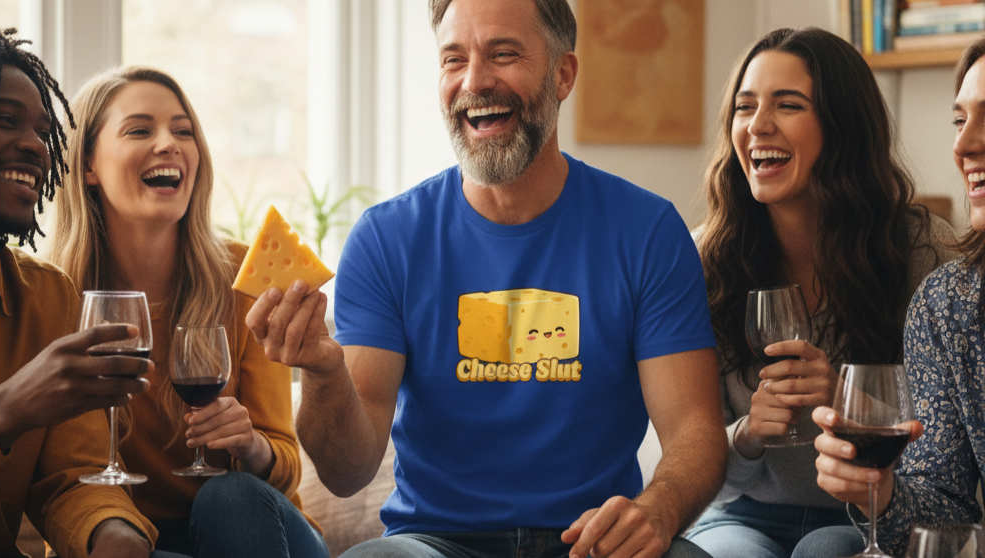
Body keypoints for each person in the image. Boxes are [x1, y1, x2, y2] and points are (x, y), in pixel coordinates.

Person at [246, 1, 727, 557]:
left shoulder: (647, 231)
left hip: (591, 543)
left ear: (562, 74)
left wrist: (657, 510)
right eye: (454, 60)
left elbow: (695, 430)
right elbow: (347, 471)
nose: (474, 81)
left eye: (503, 54)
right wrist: (326, 372)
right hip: (435, 543)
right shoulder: (386, 239)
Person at [685, 27, 955, 558]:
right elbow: (689, 452)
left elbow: (944, 452)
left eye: (788, 105)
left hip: (865, 515)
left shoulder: (921, 251)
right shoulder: (703, 260)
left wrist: (843, 401)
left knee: (827, 552)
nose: (758, 125)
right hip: (741, 512)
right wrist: (746, 434)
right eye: (744, 107)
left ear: (842, 126)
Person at [47, 66, 328, 558]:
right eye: (140, 129)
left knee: (229, 495)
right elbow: (73, 477)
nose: (169, 144)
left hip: (262, 533)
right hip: (147, 542)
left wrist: (250, 445)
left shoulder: (245, 279)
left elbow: (285, 465)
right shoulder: (55, 299)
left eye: (183, 131)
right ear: (88, 165)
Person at [809, 34, 985, 558]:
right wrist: (882, 492)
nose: (964, 144)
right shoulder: (949, 303)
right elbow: (944, 504)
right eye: (959, 120)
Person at [0, 28, 161, 558]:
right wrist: (6, 410)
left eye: (44, 130)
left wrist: (115, 537)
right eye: (5, 120)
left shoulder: (47, 298)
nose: (34, 144)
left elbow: (75, 477)